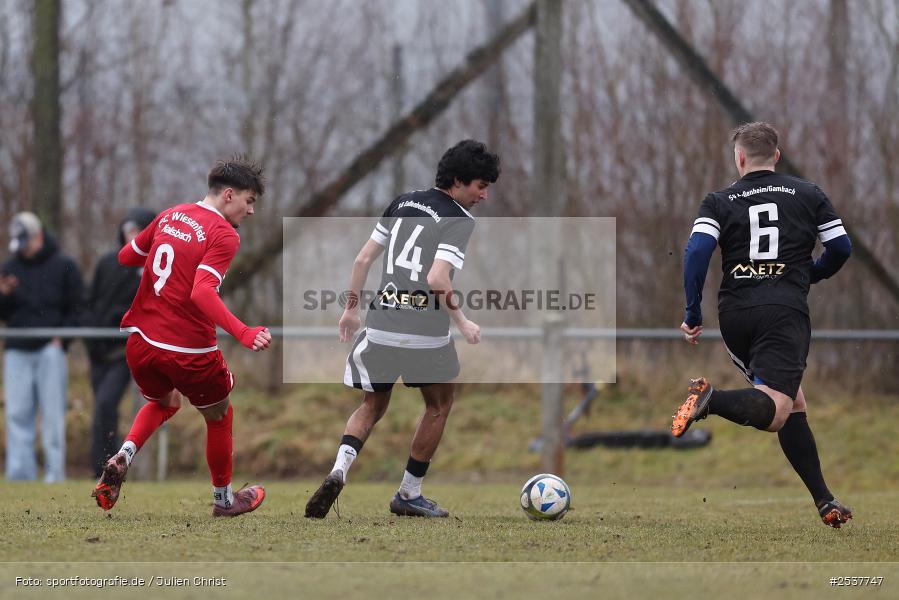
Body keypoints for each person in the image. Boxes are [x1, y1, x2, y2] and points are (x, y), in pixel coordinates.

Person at [305, 140, 500, 519]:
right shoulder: (459, 218)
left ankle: (339, 469)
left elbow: (362, 259)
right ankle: (409, 493)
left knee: (372, 405)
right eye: (481, 186)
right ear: (458, 181)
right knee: (439, 405)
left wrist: (350, 310)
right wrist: (462, 321)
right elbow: (437, 278)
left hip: (380, 325)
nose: (484, 195)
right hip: (425, 332)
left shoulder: (403, 202)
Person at [671, 122, 853, 528]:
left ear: (739, 158)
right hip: (783, 312)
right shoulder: (808, 193)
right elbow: (841, 247)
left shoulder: (719, 200)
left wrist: (692, 312)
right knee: (776, 412)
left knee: (793, 402)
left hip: (735, 314)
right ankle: (710, 400)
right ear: (777, 155)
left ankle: (824, 500)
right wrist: (811, 273)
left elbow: (697, 252)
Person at [91, 157, 272, 517]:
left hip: (141, 342)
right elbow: (201, 292)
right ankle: (224, 501)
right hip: (189, 350)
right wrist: (244, 331)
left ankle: (123, 454)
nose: (251, 211)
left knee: (166, 402)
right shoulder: (224, 234)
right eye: (249, 201)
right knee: (219, 415)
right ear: (229, 195)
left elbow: (126, 256)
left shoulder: (171, 215)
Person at [1, 211, 84, 482]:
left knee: (52, 414)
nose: (22, 249)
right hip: (17, 349)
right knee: (17, 413)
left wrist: (63, 338)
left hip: (50, 349)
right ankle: (19, 474)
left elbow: (78, 307)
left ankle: (54, 474)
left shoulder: (64, 265)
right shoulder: (10, 267)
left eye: (26, 242)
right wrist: (4, 295)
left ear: (37, 236)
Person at [85, 207, 156, 477]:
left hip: (125, 351)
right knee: (103, 409)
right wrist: (91, 334)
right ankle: (105, 466)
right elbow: (90, 302)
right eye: (129, 231)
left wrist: (121, 318)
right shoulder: (108, 263)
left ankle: (108, 465)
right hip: (98, 350)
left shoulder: (153, 267)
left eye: (138, 231)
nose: (132, 236)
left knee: (106, 403)